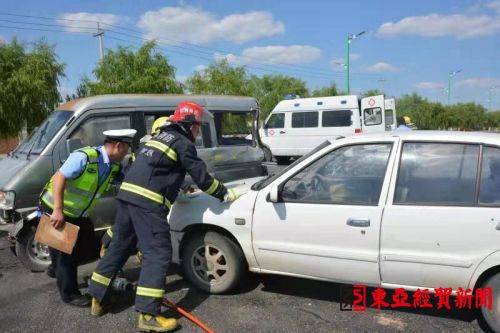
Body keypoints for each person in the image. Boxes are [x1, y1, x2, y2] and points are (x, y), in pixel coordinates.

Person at [88, 101, 241, 332]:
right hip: (147, 204)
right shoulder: (182, 142)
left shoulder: (158, 139)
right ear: (188, 125)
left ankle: (98, 299)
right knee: (157, 253)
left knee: (119, 247)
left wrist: (176, 190)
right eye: (197, 127)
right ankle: (148, 315)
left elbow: (156, 172)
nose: (198, 132)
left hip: (127, 200)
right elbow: (202, 177)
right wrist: (224, 193)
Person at [40, 129, 136, 307]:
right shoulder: (85, 157)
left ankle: (56, 268)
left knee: (89, 247)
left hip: (78, 214)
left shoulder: (113, 166)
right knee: (65, 255)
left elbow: (126, 180)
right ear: (118, 146)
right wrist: (58, 210)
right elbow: (60, 177)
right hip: (57, 209)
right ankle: (70, 294)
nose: (126, 154)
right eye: (126, 149)